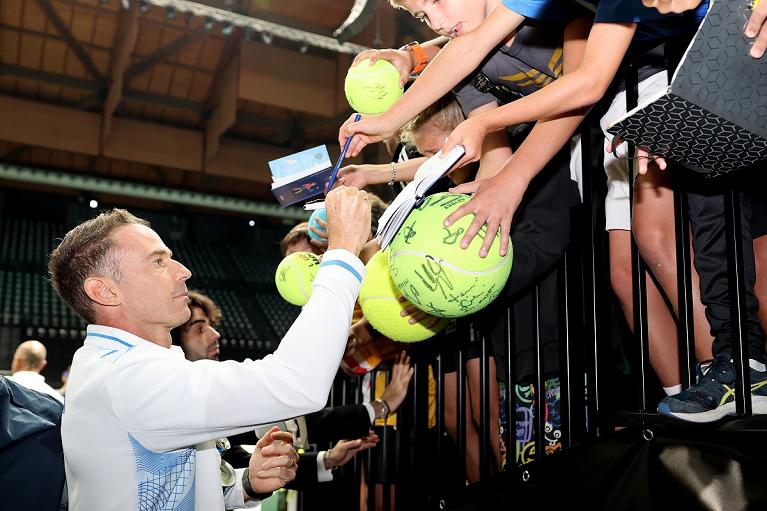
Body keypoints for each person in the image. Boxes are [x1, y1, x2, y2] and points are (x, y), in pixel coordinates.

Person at [48, 185, 372, 510]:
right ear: (105, 291)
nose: (183, 271)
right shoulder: (127, 378)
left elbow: (166, 488)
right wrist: (343, 253)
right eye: (158, 262)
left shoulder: (116, 365)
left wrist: (246, 483)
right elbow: (296, 382)